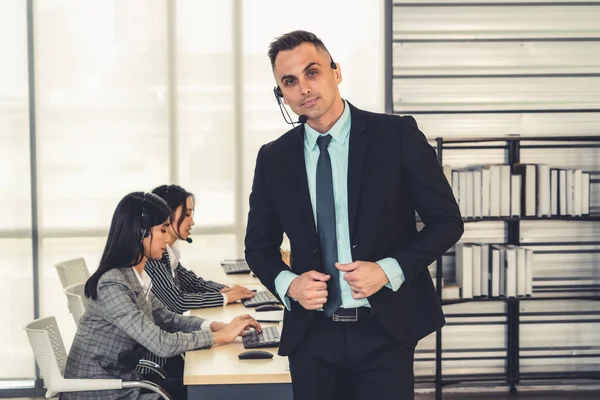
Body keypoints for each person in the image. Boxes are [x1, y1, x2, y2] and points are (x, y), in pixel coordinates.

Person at [244, 30, 463, 400]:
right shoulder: (274, 158)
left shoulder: (396, 136)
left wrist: (387, 269)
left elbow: (446, 222)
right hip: (312, 335)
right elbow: (258, 247)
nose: (304, 88)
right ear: (282, 94)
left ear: (336, 72)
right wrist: (288, 285)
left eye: (312, 72)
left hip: (384, 331)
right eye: (290, 82)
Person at [62, 192, 260, 400]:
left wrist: (215, 326)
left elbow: (167, 319)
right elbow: (161, 343)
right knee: (208, 393)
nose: (167, 239)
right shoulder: (112, 285)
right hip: (101, 393)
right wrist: (220, 337)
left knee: (212, 391)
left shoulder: (137, 276)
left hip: (125, 384)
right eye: (163, 230)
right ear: (140, 233)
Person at [142, 184, 255, 377]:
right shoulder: (148, 263)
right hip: (154, 367)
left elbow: (191, 284)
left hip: (163, 358)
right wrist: (220, 327)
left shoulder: (165, 256)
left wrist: (225, 292)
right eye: (186, 214)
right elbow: (176, 303)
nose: (192, 221)